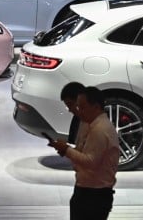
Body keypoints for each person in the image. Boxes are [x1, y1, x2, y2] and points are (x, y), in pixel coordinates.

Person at [49, 87, 119, 220]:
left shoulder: (100, 129)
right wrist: (66, 150)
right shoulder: (94, 125)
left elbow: (90, 162)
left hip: (93, 195)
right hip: (90, 191)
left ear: (96, 107)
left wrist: (66, 150)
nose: (78, 111)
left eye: (82, 107)